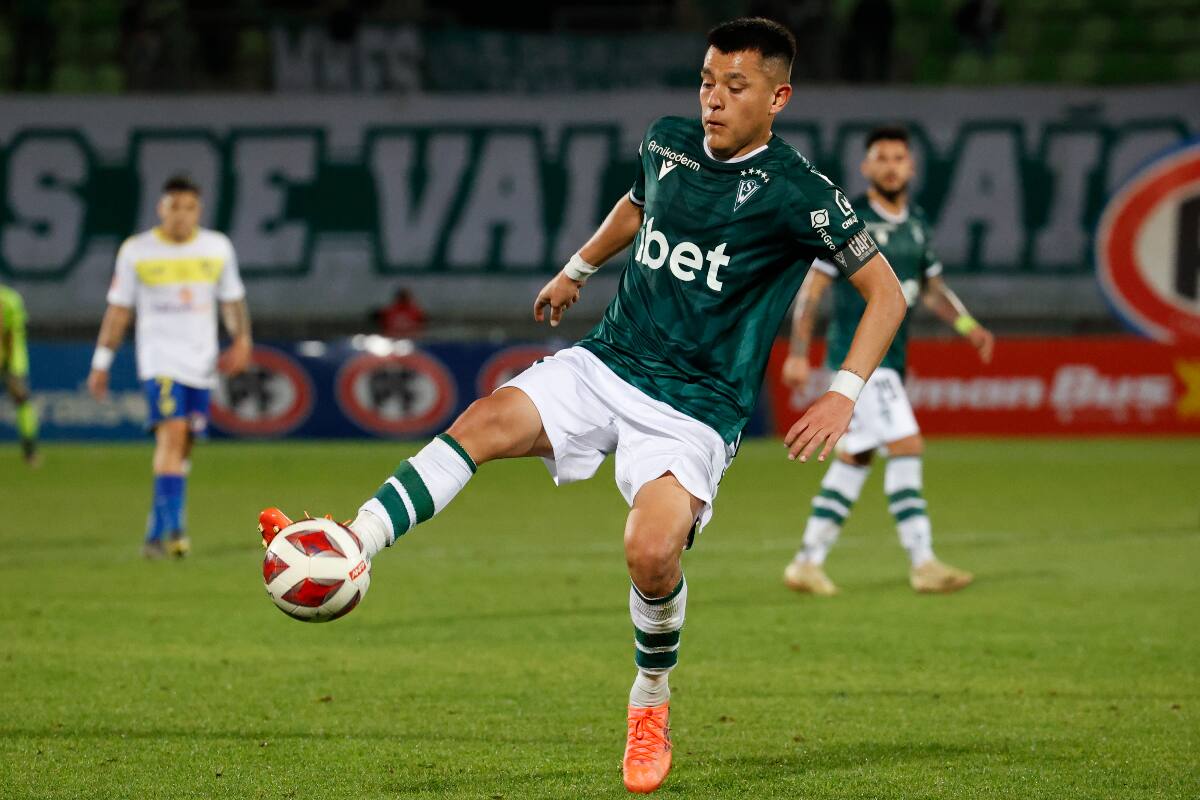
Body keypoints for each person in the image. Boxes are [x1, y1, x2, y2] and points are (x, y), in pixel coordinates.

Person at [260, 18, 906, 794]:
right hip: (609, 359)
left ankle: (650, 701)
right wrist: (578, 267)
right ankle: (355, 536)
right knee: (484, 422)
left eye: (736, 88)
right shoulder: (666, 140)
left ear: (778, 97)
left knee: (651, 552)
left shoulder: (798, 191)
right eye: (707, 81)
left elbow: (886, 295)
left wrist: (841, 395)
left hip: (697, 406)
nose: (713, 100)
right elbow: (639, 206)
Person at [781, 125, 994, 597]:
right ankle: (923, 562)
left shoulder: (916, 225)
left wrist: (967, 326)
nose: (891, 165)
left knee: (856, 459)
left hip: (892, 362)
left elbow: (934, 290)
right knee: (907, 444)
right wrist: (799, 352)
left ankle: (806, 562)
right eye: (882, 157)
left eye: (899, 157)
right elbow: (812, 292)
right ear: (866, 167)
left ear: (911, 167)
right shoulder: (848, 220)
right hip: (858, 363)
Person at [88, 175, 253, 559]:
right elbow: (119, 309)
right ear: (161, 208)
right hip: (160, 361)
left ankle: (156, 526)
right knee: (173, 434)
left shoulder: (216, 248)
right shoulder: (138, 251)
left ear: (199, 210)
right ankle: (172, 530)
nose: (181, 215)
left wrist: (242, 340)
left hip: (202, 363)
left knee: (184, 444)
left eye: (189, 207)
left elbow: (231, 301)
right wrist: (101, 361)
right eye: (174, 206)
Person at [0, 283, 40, 465]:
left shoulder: (9, 299)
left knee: (22, 401)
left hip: (11, 361)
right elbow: (14, 330)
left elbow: (8, 333)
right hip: (14, 361)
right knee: (22, 402)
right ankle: (30, 453)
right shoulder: (11, 298)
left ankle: (30, 451)